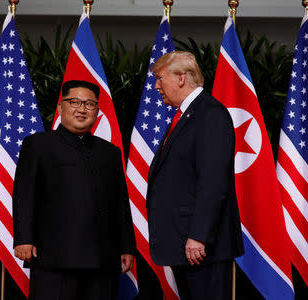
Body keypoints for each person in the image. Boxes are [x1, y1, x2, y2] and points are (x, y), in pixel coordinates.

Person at [13, 80, 136, 300]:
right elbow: (24, 194)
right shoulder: (38, 144)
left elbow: (120, 203)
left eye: (89, 104)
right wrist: (23, 238)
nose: (82, 109)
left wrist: (127, 246)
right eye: (74, 102)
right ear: (61, 107)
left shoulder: (109, 152)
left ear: (97, 112)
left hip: (102, 258)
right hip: (54, 257)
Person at [146, 51, 244, 300]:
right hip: (186, 244)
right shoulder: (186, 115)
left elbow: (213, 181)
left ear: (180, 78)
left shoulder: (210, 114)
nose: (156, 85)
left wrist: (198, 235)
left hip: (201, 247)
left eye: (160, 78)